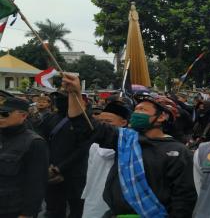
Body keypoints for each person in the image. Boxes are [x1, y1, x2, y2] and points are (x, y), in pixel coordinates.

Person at [62, 74, 197, 217]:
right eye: (136, 109)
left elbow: (184, 199)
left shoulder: (178, 152)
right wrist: (74, 93)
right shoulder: (124, 139)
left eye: (143, 110)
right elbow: (86, 127)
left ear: (162, 117)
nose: (136, 114)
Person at [39, 91, 90, 218]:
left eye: (63, 98)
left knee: (77, 209)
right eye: (57, 98)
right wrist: (48, 166)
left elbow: (82, 148)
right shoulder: (50, 118)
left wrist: (60, 168)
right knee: (53, 209)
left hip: (75, 174)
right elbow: (42, 141)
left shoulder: (83, 120)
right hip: (52, 172)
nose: (59, 101)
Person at [81, 100, 132, 218]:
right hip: (94, 196)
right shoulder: (94, 145)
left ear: (124, 122)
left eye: (108, 121)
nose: (103, 124)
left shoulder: (128, 144)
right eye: (100, 121)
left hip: (119, 198)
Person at [0, 97, 49, 218]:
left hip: (12, 209)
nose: (1, 116)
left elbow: (36, 184)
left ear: (23, 116)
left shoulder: (34, 143)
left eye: (5, 113)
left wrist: (27, 214)